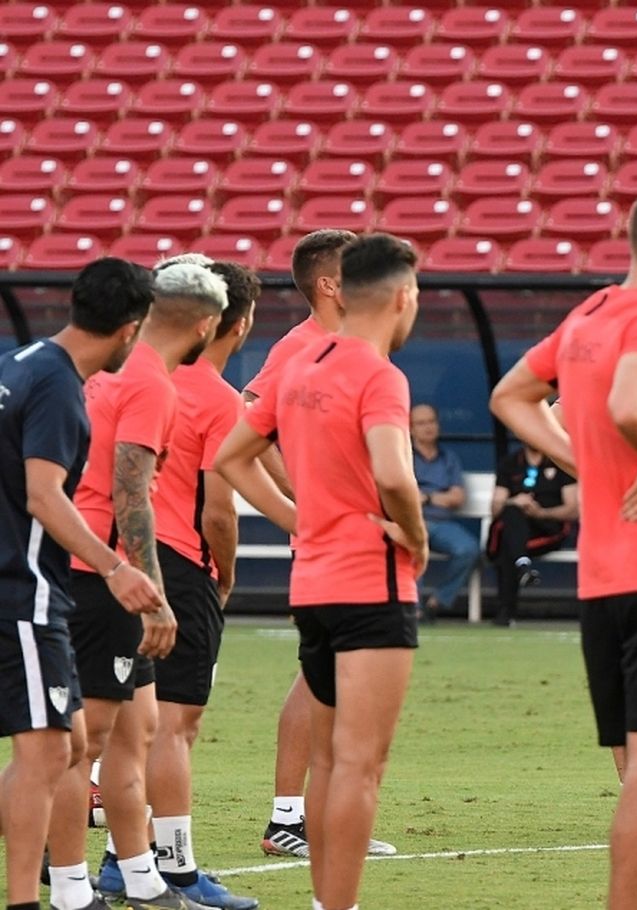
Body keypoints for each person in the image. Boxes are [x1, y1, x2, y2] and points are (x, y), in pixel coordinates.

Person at [489, 184, 637, 909]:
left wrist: (589, 465)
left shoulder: (588, 313)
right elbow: (631, 404)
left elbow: (510, 396)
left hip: (604, 578)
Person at [216, 232, 427, 910]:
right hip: (369, 575)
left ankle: (318, 881)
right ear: (397, 296)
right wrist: (413, 534)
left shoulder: (309, 363)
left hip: (317, 580)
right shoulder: (367, 369)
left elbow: (232, 453)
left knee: (332, 752)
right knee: (359, 761)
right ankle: (324, 883)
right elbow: (394, 472)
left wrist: (302, 514)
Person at [48, 263, 225, 910]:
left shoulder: (101, 370)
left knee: (139, 728)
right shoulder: (152, 382)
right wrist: (151, 591)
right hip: (100, 576)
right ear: (206, 324)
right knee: (83, 743)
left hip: (77, 562)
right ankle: (69, 884)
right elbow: (131, 493)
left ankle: (141, 874)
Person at [2, 258, 164, 910]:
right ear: (130, 329)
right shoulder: (59, 388)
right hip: (25, 592)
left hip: (19, 587)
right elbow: (45, 497)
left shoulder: (20, 361)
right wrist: (115, 566)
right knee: (46, 755)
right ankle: (22, 903)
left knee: (68, 744)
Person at [245, 229, 397, 859]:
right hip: (332, 536)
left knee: (330, 670)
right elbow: (249, 418)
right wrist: (305, 500)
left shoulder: (353, 344)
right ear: (330, 284)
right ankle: (288, 818)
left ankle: (307, 815)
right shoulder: (301, 346)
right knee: (323, 671)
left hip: (357, 534)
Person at [486, 442, 576, 626]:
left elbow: (573, 509)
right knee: (512, 513)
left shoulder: (561, 460)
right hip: (517, 531)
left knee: (508, 543)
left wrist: (540, 513)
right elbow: (495, 508)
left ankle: (506, 612)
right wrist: (514, 501)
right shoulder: (510, 463)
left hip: (548, 528)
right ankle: (522, 564)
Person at [411, 403, 481, 623]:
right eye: (421, 423)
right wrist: (441, 496)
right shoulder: (403, 455)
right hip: (412, 520)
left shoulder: (448, 458)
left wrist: (428, 497)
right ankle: (413, 607)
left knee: (469, 549)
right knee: (409, 548)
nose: (428, 427)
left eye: (431, 421)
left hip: (442, 524)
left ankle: (437, 601)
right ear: (410, 428)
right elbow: (402, 494)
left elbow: (458, 497)